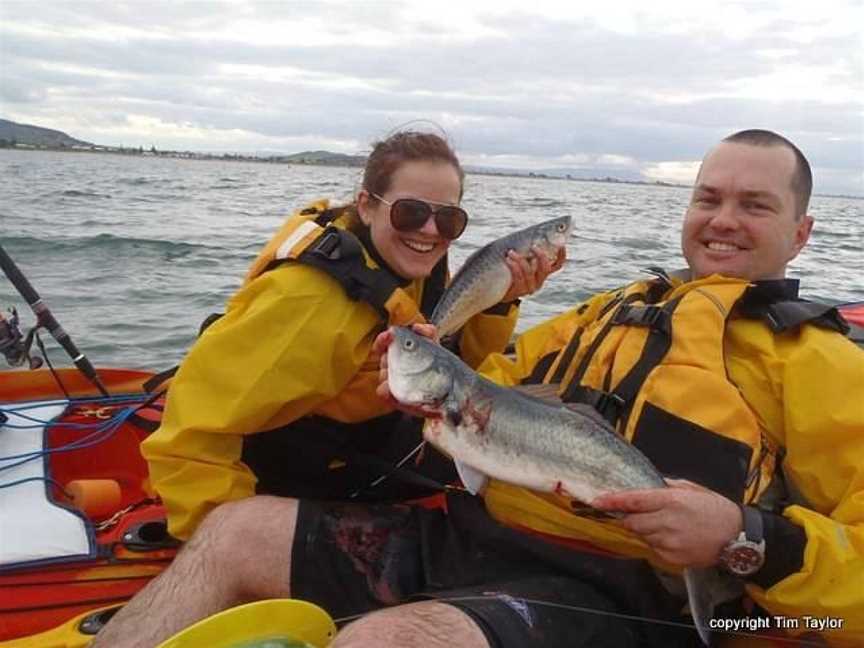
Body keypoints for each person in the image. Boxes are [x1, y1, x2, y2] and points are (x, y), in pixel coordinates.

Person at [91, 130, 563, 648]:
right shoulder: (308, 304)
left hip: (367, 431)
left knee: (508, 448)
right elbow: (189, 429)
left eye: (448, 219)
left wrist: (498, 302)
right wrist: (228, 551)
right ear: (367, 203)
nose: (429, 231)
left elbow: (456, 362)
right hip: (295, 463)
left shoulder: (410, 265)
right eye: (410, 213)